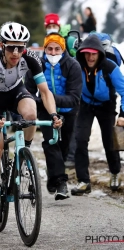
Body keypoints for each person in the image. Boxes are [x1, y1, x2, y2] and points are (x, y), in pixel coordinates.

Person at [0, 22, 62, 223]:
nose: (16, 52)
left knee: (31, 113)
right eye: (11, 47)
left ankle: (24, 153)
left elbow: (44, 92)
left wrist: (53, 114)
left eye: (20, 47)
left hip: (16, 91)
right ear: (2, 46)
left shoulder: (31, 58)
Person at [25, 32, 82, 200]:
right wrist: (42, 101)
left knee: (63, 149)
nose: (53, 53)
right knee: (51, 143)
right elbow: (27, 92)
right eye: (49, 49)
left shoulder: (72, 66)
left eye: (57, 49)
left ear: (63, 49)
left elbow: (74, 98)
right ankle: (62, 183)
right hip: (45, 112)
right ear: (45, 49)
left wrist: (49, 97)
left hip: (68, 113)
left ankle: (53, 178)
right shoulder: (36, 66)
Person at [71, 35, 124, 195]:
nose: (90, 57)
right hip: (86, 104)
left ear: (100, 54)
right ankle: (83, 181)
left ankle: (115, 173)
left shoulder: (110, 67)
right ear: (82, 53)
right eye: (87, 53)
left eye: (94, 53)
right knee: (80, 139)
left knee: (109, 141)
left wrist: (123, 114)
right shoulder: (77, 66)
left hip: (106, 105)